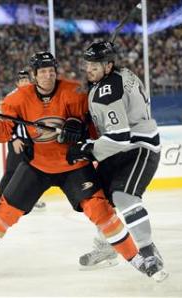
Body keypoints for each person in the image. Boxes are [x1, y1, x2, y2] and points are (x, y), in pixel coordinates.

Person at [0, 51, 162, 281]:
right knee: (5, 211)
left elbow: (96, 124)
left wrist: (80, 127)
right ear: (34, 75)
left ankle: (137, 258)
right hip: (37, 165)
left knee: (100, 210)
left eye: (51, 70)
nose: (48, 75)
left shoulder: (75, 92)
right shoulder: (16, 99)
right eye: (43, 71)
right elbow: (3, 133)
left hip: (72, 163)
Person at [66, 41, 167, 280]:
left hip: (138, 147)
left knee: (124, 197)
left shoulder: (107, 91)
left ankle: (147, 250)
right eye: (88, 64)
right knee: (99, 198)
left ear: (109, 65)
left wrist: (86, 148)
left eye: (95, 65)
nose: (89, 69)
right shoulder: (121, 74)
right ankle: (107, 245)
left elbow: (119, 137)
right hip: (121, 148)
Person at [0, 70, 45, 210]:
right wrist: (13, 138)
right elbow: (5, 122)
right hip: (17, 140)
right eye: (21, 80)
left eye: (26, 79)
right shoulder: (10, 98)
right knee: (11, 171)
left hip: (32, 141)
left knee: (36, 171)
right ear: (17, 83)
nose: (24, 82)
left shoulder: (35, 97)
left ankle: (31, 200)